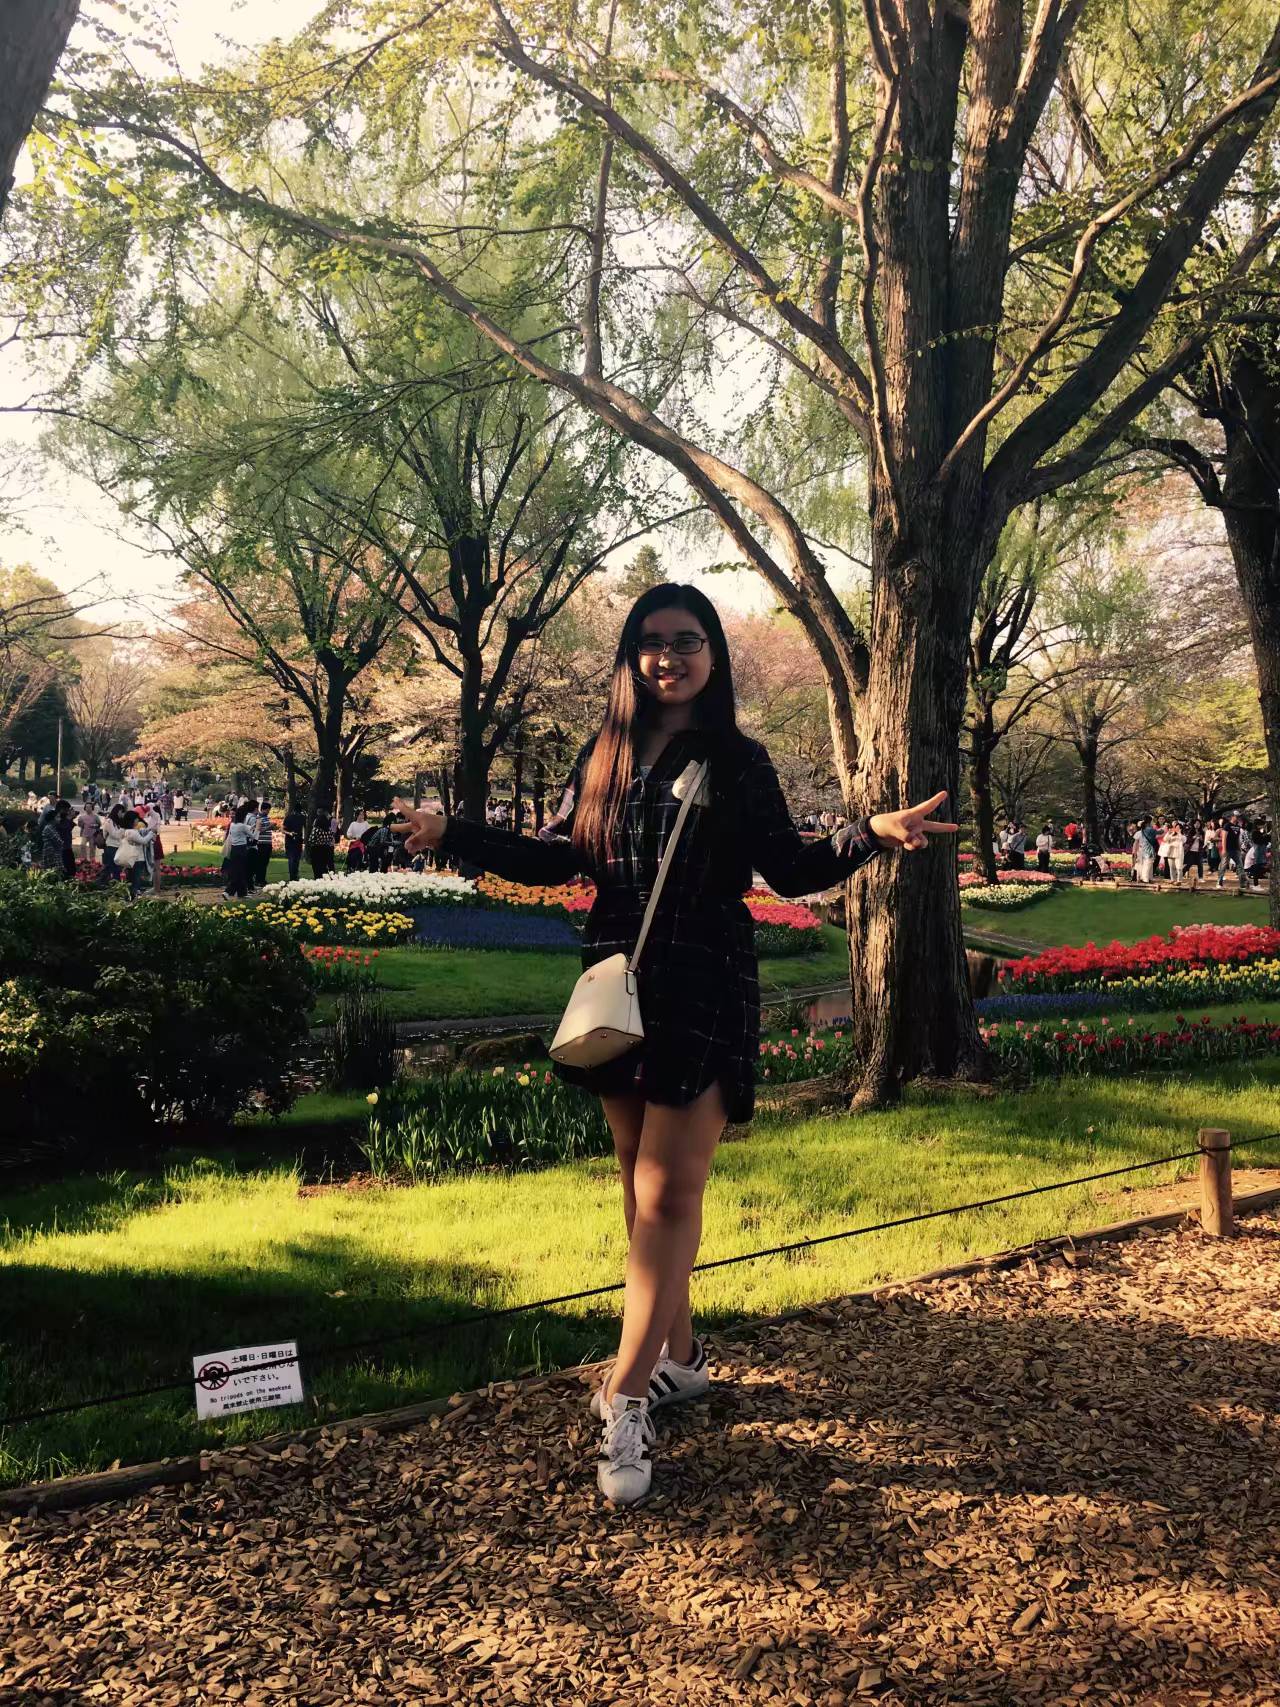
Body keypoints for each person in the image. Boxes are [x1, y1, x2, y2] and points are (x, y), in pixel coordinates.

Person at [391, 582, 958, 1506]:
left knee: (665, 1190)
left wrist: (872, 834)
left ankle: (624, 1397)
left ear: (713, 654)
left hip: (704, 973)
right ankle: (680, 1358)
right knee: (634, 1177)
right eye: (652, 641)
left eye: (688, 640)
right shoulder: (606, 752)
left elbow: (790, 867)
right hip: (619, 975)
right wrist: (456, 832)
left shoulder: (738, 759)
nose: (669, 656)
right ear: (630, 655)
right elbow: (561, 855)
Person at [116, 812, 156, 901]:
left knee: (131, 878)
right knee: (136, 879)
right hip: (137, 858)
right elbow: (143, 841)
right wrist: (150, 834)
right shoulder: (132, 832)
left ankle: (130, 896)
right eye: (136, 819)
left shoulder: (126, 831)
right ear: (132, 820)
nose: (138, 820)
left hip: (131, 858)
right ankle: (134, 897)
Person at [221, 804, 255, 899]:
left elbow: (246, 830)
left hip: (234, 849)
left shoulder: (233, 825)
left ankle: (242, 893)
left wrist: (251, 828)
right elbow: (253, 836)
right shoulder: (242, 826)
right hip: (241, 849)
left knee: (240, 871)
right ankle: (228, 891)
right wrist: (257, 829)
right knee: (239, 872)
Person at [40, 800, 72, 876]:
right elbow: (59, 842)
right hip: (51, 853)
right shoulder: (49, 828)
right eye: (57, 817)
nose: (59, 819)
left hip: (54, 853)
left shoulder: (52, 827)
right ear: (52, 819)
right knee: (53, 873)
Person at [253, 801, 275, 890]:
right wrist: (269, 827)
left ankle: (262, 879)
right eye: (267, 810)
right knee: (261, 862)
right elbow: (258, 831)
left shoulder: (266, 818)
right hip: (261, 843)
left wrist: (272, 827)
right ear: (263, 809)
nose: (268, 812)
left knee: (265, 862)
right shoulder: (258, 818)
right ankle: (258, 880)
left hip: (268, 843)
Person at [308, 811, 336, 878]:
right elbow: (331, 839)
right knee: (323, 866)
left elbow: (311, 840)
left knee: (316, 867)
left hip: (316, 850)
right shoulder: (328, 830)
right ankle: (324, 878)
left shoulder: (316, 829)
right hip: (326, 849)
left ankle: (317, 878)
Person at [282, 801, 305, 882]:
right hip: (297, 840)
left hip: (291, 840)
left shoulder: (288, 817)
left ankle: (293, 876)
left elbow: (283, 830)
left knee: (292, 859)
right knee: (296, 859)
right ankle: (294, 876)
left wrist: (289, 833)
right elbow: (305, 829)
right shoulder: (302, 817)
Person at [75, 801, 100, 866]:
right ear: (85, 808)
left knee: (92, 848)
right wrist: (81, 824)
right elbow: (79, 825)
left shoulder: (95, 816)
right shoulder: (81, 817)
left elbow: (99, 824)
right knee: (82, 845)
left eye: (90, 807)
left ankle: (92, 860)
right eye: (87, 807)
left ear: (92, 808)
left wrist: (94, 825)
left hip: (93, 834)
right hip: (84, 834)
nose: (88, 808)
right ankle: (84, 859)